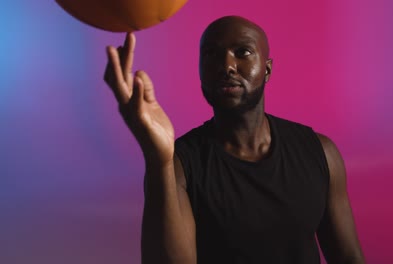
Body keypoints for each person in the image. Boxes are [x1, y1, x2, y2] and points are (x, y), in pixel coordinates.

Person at [104, 15, 365, 264]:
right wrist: (157, 158)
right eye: (212, 54)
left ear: (267, 69)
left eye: (243, 52)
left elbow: (349, 258)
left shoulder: (319, 152)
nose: (226, 66)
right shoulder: (180, 165)